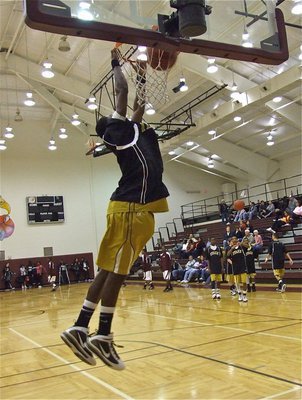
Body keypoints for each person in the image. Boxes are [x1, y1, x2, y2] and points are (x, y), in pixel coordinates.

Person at [61, 49, 169, 370]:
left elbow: (138, 102)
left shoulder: (132, 131)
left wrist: (143, 72)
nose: (121, 113)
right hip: (131, 207)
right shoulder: (119, 131)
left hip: (132, 206)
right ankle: (102, 335)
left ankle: (81, 326)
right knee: (118, 274)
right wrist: (115, 61)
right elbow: (122, 92)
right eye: (115, 115)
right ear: (110, 126)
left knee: (109, 270)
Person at [227, 237, 248, 302]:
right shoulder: (231, 249)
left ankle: (244, 295)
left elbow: (248, 246)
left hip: (242, 267)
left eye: (235, 239)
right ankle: (240, 295)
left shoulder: (241, 247)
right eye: (233, 240)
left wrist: (241, 243)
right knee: (237, 283)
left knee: (244, 282)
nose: (234, 240)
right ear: (232, 242)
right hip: (235, 268)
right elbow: (227, 255)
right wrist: (232, 248)